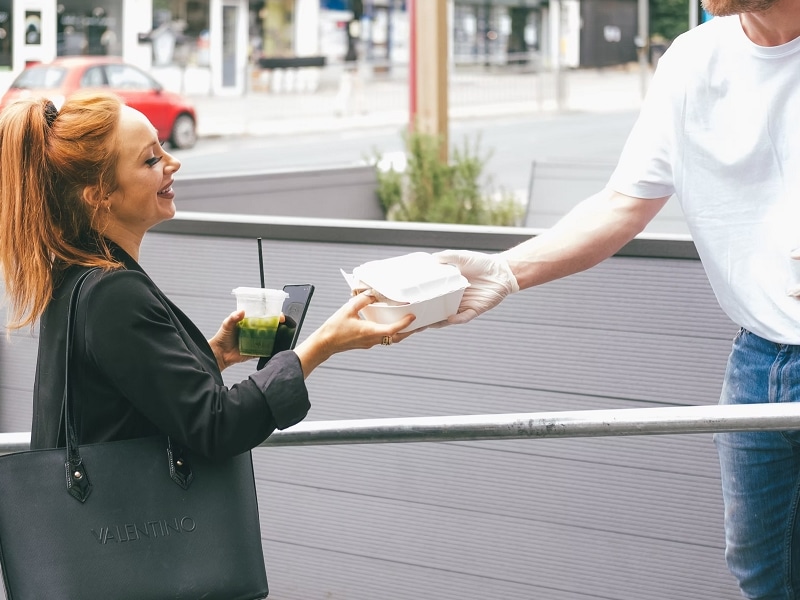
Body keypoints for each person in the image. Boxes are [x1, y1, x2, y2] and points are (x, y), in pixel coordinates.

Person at [434, 1, 800, 598]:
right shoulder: (691, 62)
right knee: (762, 567)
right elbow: (622, 204)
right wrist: (504, 271)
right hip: (757, 362)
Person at [0, 91, 415, 457]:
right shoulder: (113, 293)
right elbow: (217, 427)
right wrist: (322, 345)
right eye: (151, 159)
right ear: (100, 196)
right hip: (133, 540)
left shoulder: (75, 277)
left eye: (162, 148)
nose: (173, 162)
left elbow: (127, 396)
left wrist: (214, 354)